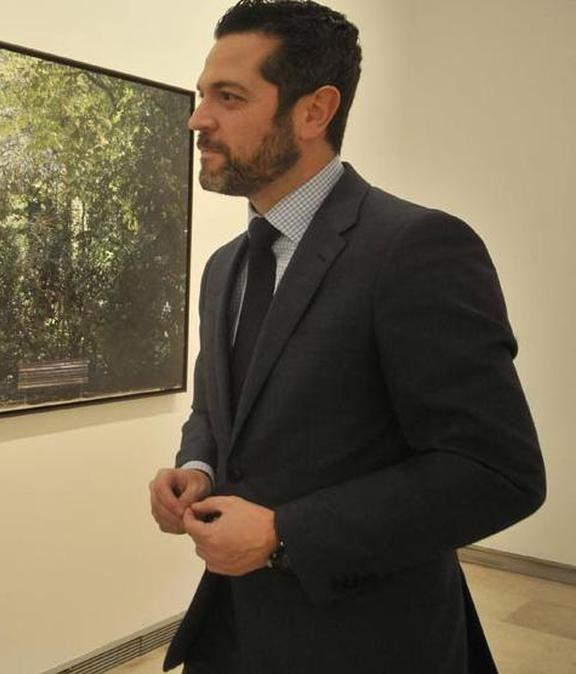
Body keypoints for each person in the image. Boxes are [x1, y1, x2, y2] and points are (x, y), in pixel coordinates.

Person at [148, 1, 546, 672]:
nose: (198, 118)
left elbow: (495, 472)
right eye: (201, 95)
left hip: (368, 642)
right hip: (231, 635)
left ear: (314, 111)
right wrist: (198, 469)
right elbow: (217, 411)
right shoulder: (225, 269)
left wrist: (283, 534)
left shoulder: (417, 249)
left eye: (229, 97)